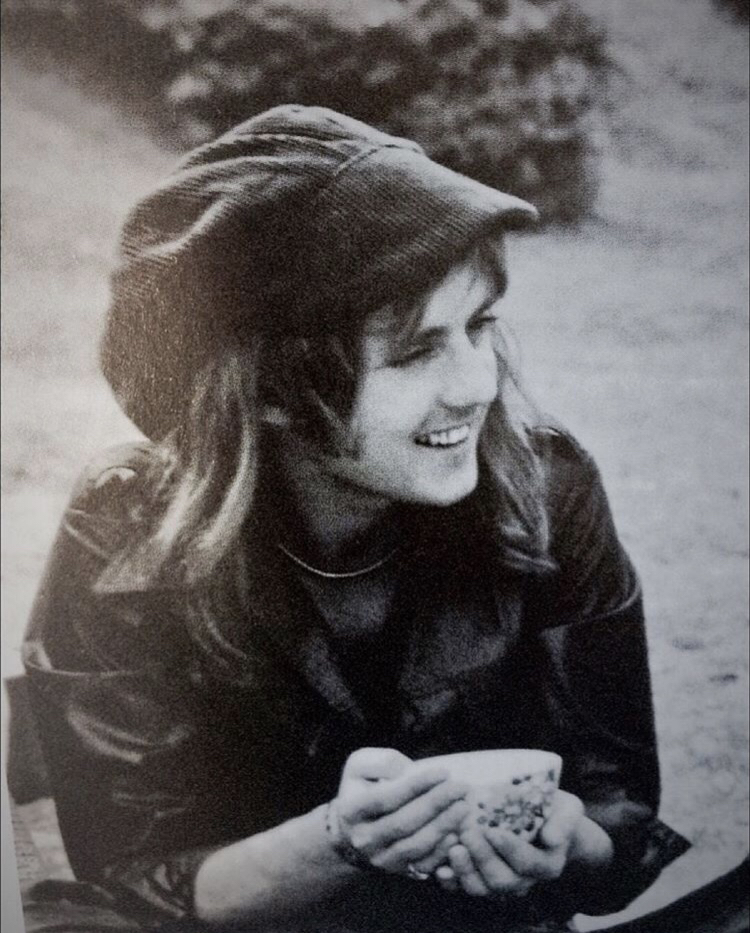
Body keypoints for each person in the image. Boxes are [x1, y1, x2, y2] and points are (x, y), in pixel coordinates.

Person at [21, 105, 690, 933]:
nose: (476, 385)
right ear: (270, 389)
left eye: (479, 325)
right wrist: (343, 840)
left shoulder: (548, 488)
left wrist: (565, 841)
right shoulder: (128, 529)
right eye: (415, 351)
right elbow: (130, 882)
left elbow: (618, 811)